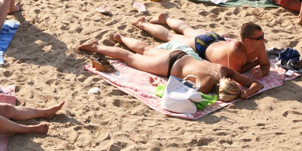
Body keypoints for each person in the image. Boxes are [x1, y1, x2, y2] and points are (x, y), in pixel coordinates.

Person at [78, 34, 262, 98]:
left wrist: (246, 91)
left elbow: (256, 84)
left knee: (146, 48)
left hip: (181, 55)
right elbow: (177, 91)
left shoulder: (223, 71)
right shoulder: (205, 86)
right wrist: (156, 85)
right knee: (130, 58)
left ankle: (120, 37)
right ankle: (95, 47)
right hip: (169, 66)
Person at [131, 15, 270, 76]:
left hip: (214, 40)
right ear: (247, 40)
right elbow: (236, 72)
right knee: (170, 37)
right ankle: (142, 23)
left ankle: (165, 18)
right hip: (203, 46)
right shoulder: (236, 50)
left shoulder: (259, 46)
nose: (263, 40)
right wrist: (255, 63)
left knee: (188, 30)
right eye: (259, 37)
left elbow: (265, 65)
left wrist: (262, 70)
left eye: (262, 36)